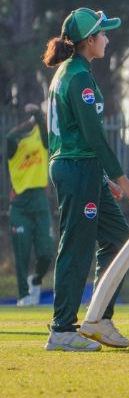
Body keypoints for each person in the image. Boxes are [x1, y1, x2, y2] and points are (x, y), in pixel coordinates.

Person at [42, 8, 129, 351]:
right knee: (76, 245)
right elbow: (93, 136)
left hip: (84, 168)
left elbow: (82, 135)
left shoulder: (75, 71)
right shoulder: (78, 76)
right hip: (76, 168)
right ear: (89, 41)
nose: (108, 38)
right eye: (103, 34)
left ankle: (99, 318)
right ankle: (61, 329)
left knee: (117, 239)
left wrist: (105, 179)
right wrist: (122, 178)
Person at [6, 104, 54, 306]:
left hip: (40, 202)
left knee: (46, 252)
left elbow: (44, 130)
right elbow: (9, 137)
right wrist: (30, 120)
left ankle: (35, 280)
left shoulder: (42, 139)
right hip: (20, 206)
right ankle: (23, 295)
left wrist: (38, 116)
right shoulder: (12, 142)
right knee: (22, 252)